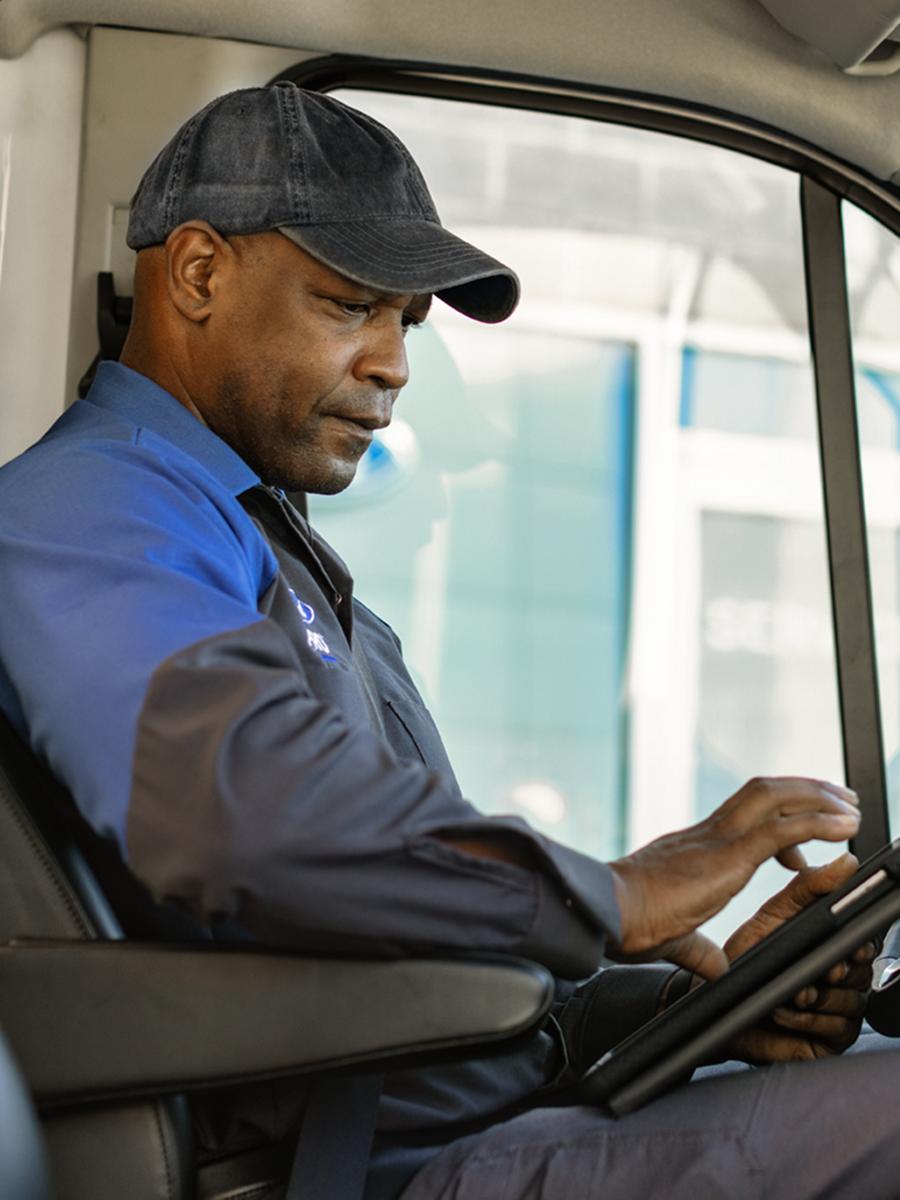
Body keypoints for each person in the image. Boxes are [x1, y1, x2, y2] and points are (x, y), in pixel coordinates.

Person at [0, 83, 896, 1200]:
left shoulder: (265, 546)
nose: (394, 365)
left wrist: (682, 1008)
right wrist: (611, 898)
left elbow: (404, 938)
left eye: (407, 322)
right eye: (348, 306)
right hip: (375, 1164)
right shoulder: (93, 514)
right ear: (195, 274)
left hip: (500, 1101)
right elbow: (247, 814)